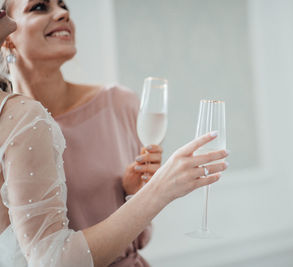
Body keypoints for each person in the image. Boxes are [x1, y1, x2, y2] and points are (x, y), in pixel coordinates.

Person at [0, 4, 229, 267]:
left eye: (63, 5)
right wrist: (160, 188)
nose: (63, 13)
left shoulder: (119, 104)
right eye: (39, 7)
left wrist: (131, 193)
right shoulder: (9, 127)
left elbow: (141, 233)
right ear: (7, 35)